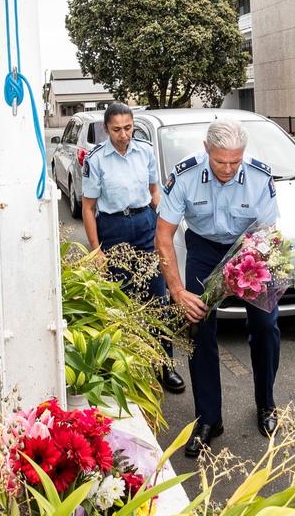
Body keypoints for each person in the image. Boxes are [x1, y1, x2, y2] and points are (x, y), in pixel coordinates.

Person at [155, 119, 281, 458]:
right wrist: (178, 292)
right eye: (220, 160)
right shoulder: (184, 175)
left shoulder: (260, 177)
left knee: (266, 325)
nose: (227, 169)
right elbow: (163, 236)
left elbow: (269, 236)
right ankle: (209, 419)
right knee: (198, 328)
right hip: (204, 248)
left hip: (250, 248)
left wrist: (253, 259)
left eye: (234, 161)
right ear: (207, 149)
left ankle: (266, 405)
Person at [81, 103, 186, 396]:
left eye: (128, 128)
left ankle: (165, 365)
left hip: (144, 224)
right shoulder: (96, 160)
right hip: (113, 229)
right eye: (117, 129)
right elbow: (88, 208)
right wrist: (96, 250)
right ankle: (125, 367)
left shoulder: (145, 151)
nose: (124, 135)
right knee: (121, 300)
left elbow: (154, 192)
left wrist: (165, 219)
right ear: (106, 129)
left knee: (158, 297)